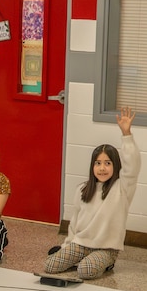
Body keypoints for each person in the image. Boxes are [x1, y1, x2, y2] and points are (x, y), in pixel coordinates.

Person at [44, 107, 139, 280]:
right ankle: (80, 257)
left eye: (108, 163)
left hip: (106, 248)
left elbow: (133, 166)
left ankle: (105, 262)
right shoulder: (82, 189)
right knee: (50, 266)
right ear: (92, 166)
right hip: (81, 243)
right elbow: (74, 223)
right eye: (98, 163)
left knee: (85, 271)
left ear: (115, 166)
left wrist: (127, 135)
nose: (102, 168)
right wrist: (67, 245)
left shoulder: (122, 188)